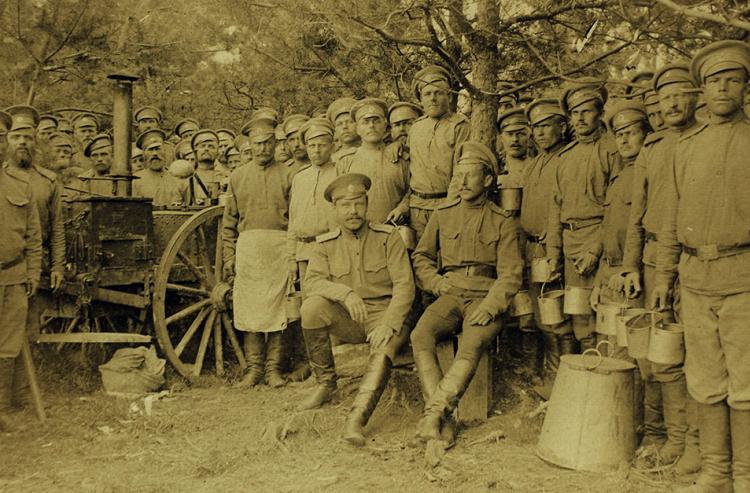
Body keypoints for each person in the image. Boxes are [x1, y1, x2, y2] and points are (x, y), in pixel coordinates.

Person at [653, 40, 750, 493]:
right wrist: (663, 276)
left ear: (746, 86)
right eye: (715, 81)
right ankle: (716, 473)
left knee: (746, 383)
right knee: (706, 378)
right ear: (702, 89)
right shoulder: (684, 147)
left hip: (744, 278)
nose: (723, 88)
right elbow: (670, 219)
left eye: (733, 79)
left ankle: (745, 475)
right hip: (695, 279)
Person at [410, 142, 523, 443]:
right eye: (457, 176)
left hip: (485, 297)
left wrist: (491, 305)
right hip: (450, 294)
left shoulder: (503, 221)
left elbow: (511, 273)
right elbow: (421, 257)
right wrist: (435, 282)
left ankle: (433, 416)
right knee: (420, 335)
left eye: (469, 176)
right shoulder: (443, 213)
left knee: (471, 342)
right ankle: (439, 418)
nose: (461, 183)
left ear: (487, 180)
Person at [621, 63, 702, 475]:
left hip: (694, 260)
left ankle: (688, 441)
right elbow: (637, 214)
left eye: (679, 94)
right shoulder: (651, 149)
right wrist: (631, 266)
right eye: (664, 97)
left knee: (688, 356)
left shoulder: (704, 141)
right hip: (653, 261)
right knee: (653, 356)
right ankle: (658, 434)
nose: (671, 103)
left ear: (696, 97)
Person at [298, 173, 415, 447]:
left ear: (366, 204)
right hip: (351, 318)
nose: (353, 211)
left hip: (386, 315)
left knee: (385, 345)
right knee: (312, 308)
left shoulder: (388, 238)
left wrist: (389, 323)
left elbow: (405, 286)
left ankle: (356, 419)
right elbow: (312, 282)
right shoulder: (325, 244)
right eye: (345, 205)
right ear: (335, 208)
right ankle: (326, 384)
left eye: (358, 204)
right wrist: (345, 293)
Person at [546, 79, 619, 350]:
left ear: (600, 113)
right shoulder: (564, 157)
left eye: (586, 111)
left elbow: (616, 208)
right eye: (575, 112)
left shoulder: (612, 151)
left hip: (600, 241)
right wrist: (554, 252)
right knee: (579, 318)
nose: (580, 118)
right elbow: (556, 208)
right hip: (571, 242)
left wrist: (596, 249)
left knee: (605, 316)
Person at [222, 117, 293, 389]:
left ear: (275, 143)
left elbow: (295, 219)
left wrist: (292, 254)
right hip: (249, 249)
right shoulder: (238, 176)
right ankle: (253, 370)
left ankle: (274, 370)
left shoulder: (288, 175)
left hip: (279, 247)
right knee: (250, 310)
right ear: (249, 145)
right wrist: (230, 256)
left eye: (268, 143)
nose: (263, 149)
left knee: (279, 310)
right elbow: (229, 222)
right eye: (257, 143)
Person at [519, 98, 574, 399]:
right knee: (539, 317)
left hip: (552, 248)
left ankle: (561, 380)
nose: (539, 133)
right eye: (535, 128)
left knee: (557, 317)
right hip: (531, 250)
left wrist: (555, 253)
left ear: (562, 126)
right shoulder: (534, 163)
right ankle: (542, 377)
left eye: (546, 126)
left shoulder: (566, 159)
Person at [593, 100, 651, 354]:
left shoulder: (647, 173)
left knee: (629, 353)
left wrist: (627, 270)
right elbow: (609, 232)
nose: (624, 141)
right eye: (619, 135)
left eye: (631, 133)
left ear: (646, 134)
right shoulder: (617, 176)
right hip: (609, 273)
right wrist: (598, 282)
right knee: (606, 348)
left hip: (631, 275)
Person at [0, 112, 43, 431]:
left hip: (13, 276)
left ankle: (2, 409)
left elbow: (33, 234)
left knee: (9, 344)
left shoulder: (18, 185)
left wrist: (33, 272)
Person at [407, 64, 470, 241]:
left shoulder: (459, 125)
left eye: (438, 93)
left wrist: (450, 207)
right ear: (420, 99)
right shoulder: (415, 128)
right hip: (417, 207)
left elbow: (461, 171)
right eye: (427, 94)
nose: (433, 98)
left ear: (448, 96)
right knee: (419, 258)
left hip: (446, 203)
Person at [336, 98, 410, 224]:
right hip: (360, 232)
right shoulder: (346, 161)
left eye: (376, 121)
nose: (371, 126)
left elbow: (413, 190)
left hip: (394, 228)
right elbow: (339, 199)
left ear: (385, 126)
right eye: (365, 122)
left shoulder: (400, 157)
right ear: (358, 129)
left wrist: (402, 208)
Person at [132, 129, 187, 206]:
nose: (155, 153)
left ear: (164, 150)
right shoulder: (136, 181)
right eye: (150, 150)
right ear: (144, 154)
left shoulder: (177, 178)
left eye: (158, 149)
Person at [190, 129, 221, 205]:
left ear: (217, 151)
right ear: (195, 150)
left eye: (211, 146)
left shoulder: (225, 176)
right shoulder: (187, 178)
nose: (206, 149)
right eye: (202, 146)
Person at [327, 97, 360, 163]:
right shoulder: (331, 161)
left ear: (358, 124)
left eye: (350, 122)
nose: (344, 127)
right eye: (339, 124)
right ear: (335, 129)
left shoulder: (373, 152)